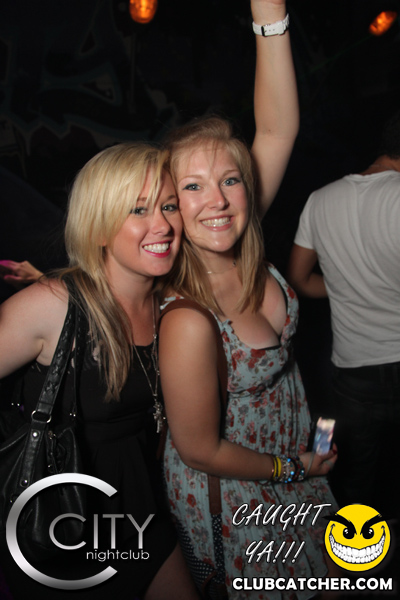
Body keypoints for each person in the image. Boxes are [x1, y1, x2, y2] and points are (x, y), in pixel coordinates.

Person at [157, 2, 338, 597]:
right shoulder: (187, 313)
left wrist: (270, 13)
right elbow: (200, 450)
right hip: (241, 494)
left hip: (299, 467)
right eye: (192, 186)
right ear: (172, 209)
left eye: (230, 179)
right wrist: (292, 468)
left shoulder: (240, 235)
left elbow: (278, 129)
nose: (217, 200)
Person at [0, 143, 200, 600]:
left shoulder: (171, 304)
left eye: (169, 206)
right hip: (59, 528)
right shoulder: (52, 305)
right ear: (100, 225)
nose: (163, 225)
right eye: (138, 209)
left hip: (140, 512)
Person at [287, 111, 400, 519]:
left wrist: (345, 287)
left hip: (352, 373)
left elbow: (299, 279)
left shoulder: (320, 199)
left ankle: (355, 552)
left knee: (354, 478)